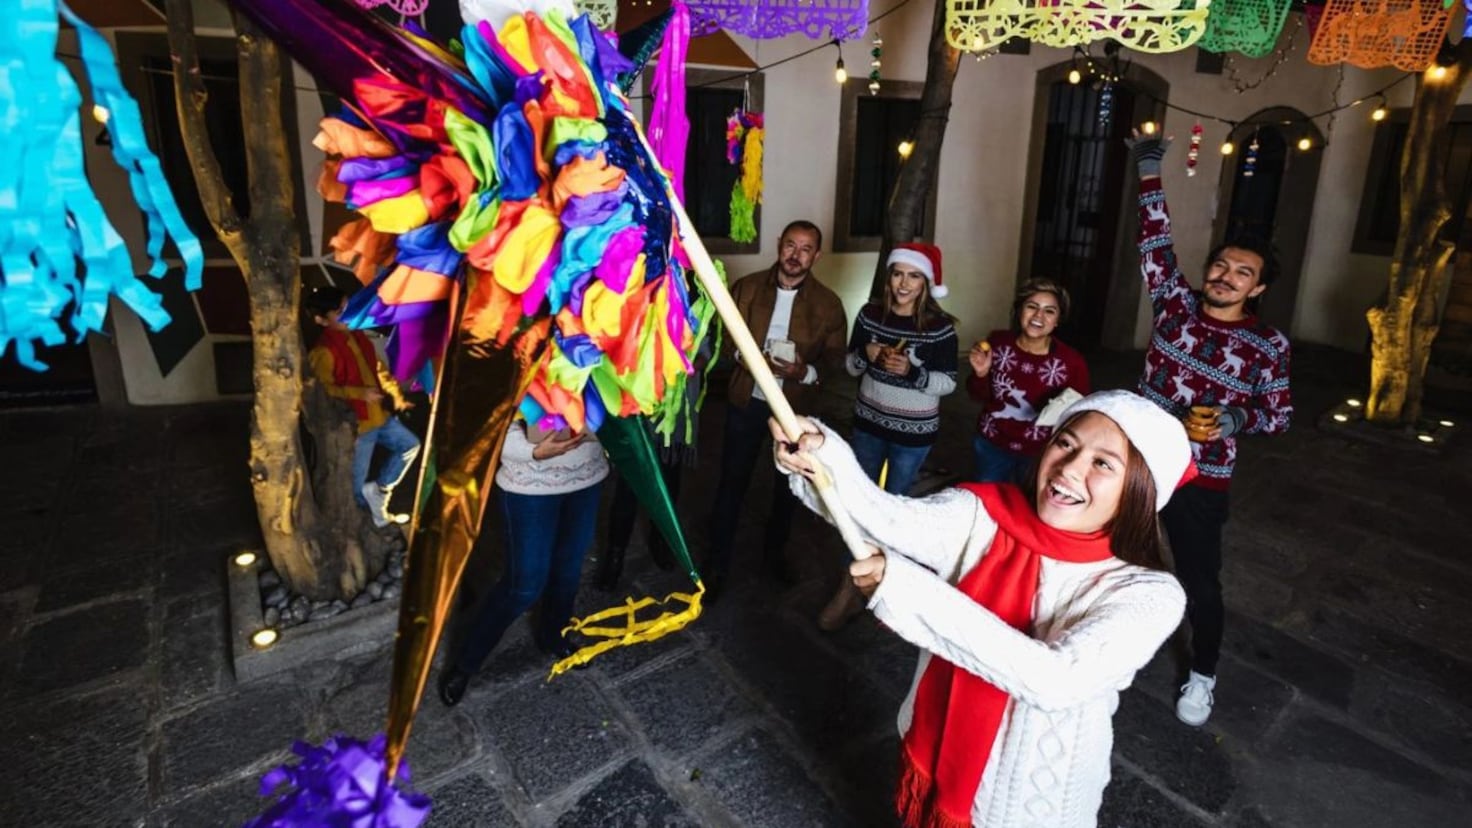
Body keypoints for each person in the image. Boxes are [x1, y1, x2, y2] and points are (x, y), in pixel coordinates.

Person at [771, 390, 1192, 828]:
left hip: (1030, 801)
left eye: (1103, 463)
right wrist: (823, 457)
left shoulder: (1149, 594)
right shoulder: (986, 513)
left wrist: (909, 590)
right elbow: (887, 520)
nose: (1069, 468)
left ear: (1142, 491)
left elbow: (1057, 679)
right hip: (934, 740)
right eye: (1066, 443)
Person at [1127, 132, 1293, 727]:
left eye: (1241, 272)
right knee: (1109, 550)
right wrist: (1149, 170)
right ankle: (1106, 644)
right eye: (1221, 265)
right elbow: (1155, 241)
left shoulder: (1266, 345)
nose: (1225, 276)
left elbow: (1279, 414)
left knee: (1200, 578)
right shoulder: (1175, 302)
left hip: (1204, 473)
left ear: (1259, 287)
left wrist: (1235, 418)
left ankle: (1203, 674)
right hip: (1142, 454)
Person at [817, 242, 958, 631]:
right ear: (888, 276)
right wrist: (867, 354)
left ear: (926, 282)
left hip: (913, 433)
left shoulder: (938, 327)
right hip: (869, 423)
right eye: (898, 274)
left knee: (895, 511)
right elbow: (850, 366)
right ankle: (849, 590)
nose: (903, 283)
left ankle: (887, 593)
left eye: (914, 276)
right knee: (857, 505)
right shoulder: (870, 315)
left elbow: (947, 383)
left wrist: (911, 371)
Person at [704, 219, 848, 601]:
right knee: (731, 482)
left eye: (805, 249)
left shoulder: (828, 304)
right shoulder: (747, 288)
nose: (795, 255)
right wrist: (746, 358)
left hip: (794, 414)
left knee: (788, 489)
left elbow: (835, 362)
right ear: (779, 245)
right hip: (746, 402)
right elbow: (720, 336)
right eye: (790, 245)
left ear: (816, 256)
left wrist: (806, 371)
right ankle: (716, 564)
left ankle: (774, 556)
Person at [438, 420, 609, 706]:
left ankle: (554, 637)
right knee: (524, 586)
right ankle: (466, 663)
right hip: (529, 484)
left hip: (587, 477)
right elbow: (483, 417)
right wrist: (528, 452)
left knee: (567, 572)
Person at [306, 287, 421, 528]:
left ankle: (380, 491)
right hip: (358, 426)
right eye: (340, 311)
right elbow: (322, 390)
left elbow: (378, 368)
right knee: (355, 485)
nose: (349, 313)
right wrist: (359, 393)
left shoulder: (358, 335)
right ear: (321, 320)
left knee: (410, 446)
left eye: (349, 306)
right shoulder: (322, 351)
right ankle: (366, 524)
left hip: (380, 415)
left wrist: (396, 394)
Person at [967, 278, 1090, 484]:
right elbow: (976, 395)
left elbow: (1080, 414)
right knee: (988, 504)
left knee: (1027, 508)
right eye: (1031, 306)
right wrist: (981, 374)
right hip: (992, 445)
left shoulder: (1071, 362)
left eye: (1049, 311)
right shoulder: (997, 342)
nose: (1038, 316)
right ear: (1020, 311)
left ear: (1057, 320)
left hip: (1039, 453)